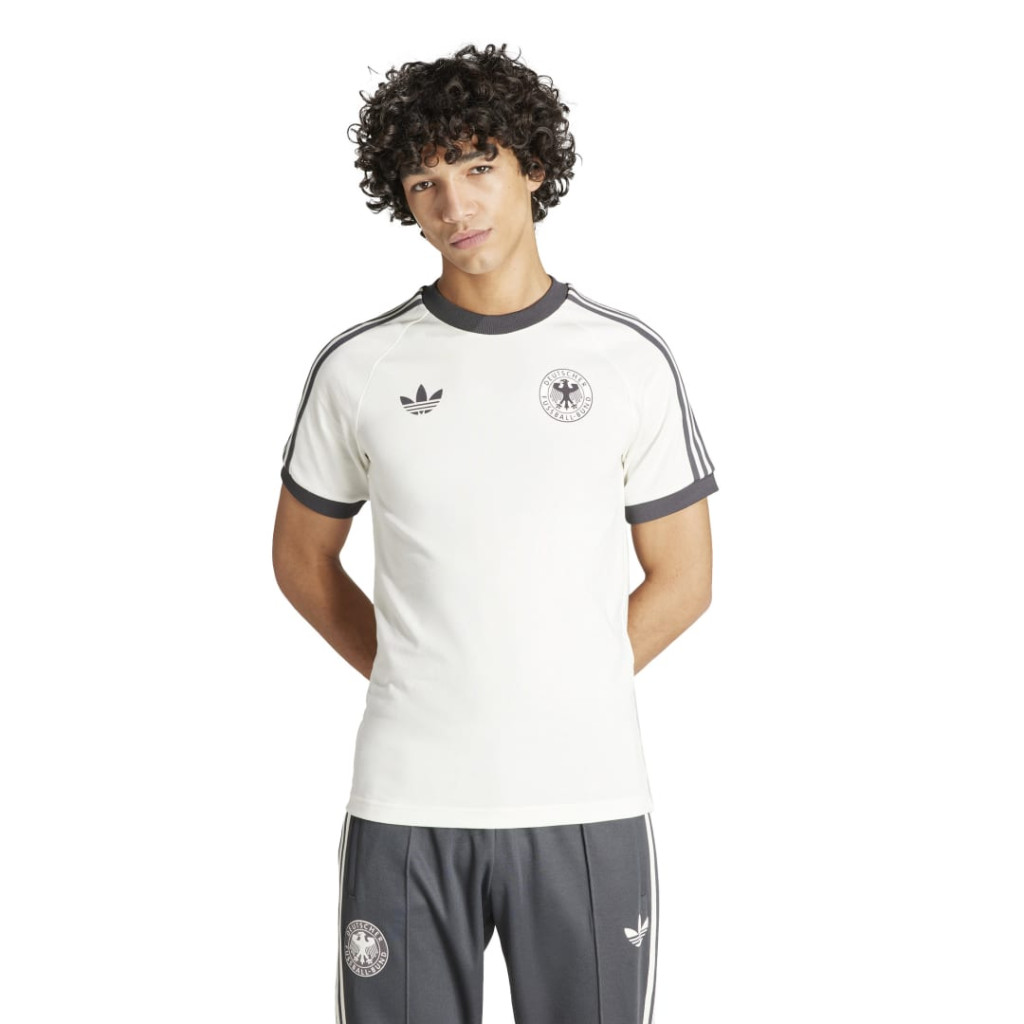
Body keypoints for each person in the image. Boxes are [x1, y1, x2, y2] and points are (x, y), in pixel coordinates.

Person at [272, 42, 718, 1024]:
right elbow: (302, 560)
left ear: (533, 166)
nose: (455, 204)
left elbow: (684, 578)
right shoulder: (359, 367)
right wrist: (418, 669)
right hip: (407, 801)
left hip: (585, 800)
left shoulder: (626, 359)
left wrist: (558, 682)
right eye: (424, 182)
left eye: (478, 166)